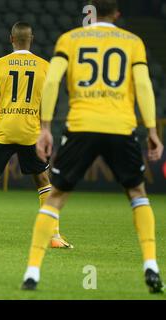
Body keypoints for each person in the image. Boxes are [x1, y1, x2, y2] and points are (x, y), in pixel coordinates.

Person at [21, 0, 164, 293]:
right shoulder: (133, 42)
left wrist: (45, 127)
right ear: (118, 14)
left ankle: (32, 272)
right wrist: (151, 129)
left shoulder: (70, 39)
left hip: (81, 126)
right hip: (120, 127)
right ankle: (151, 266)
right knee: (137, 193)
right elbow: (144, 85)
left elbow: (52, 83)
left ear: (90, 11)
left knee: (55, 197)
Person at [0, 22, 73, 249]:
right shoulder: (45, 66)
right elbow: (50, 102)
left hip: (3, 130)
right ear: (31, 38)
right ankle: (54, 237)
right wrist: (46, 129)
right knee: (43, 180)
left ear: (11, 39)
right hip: (31, 132)